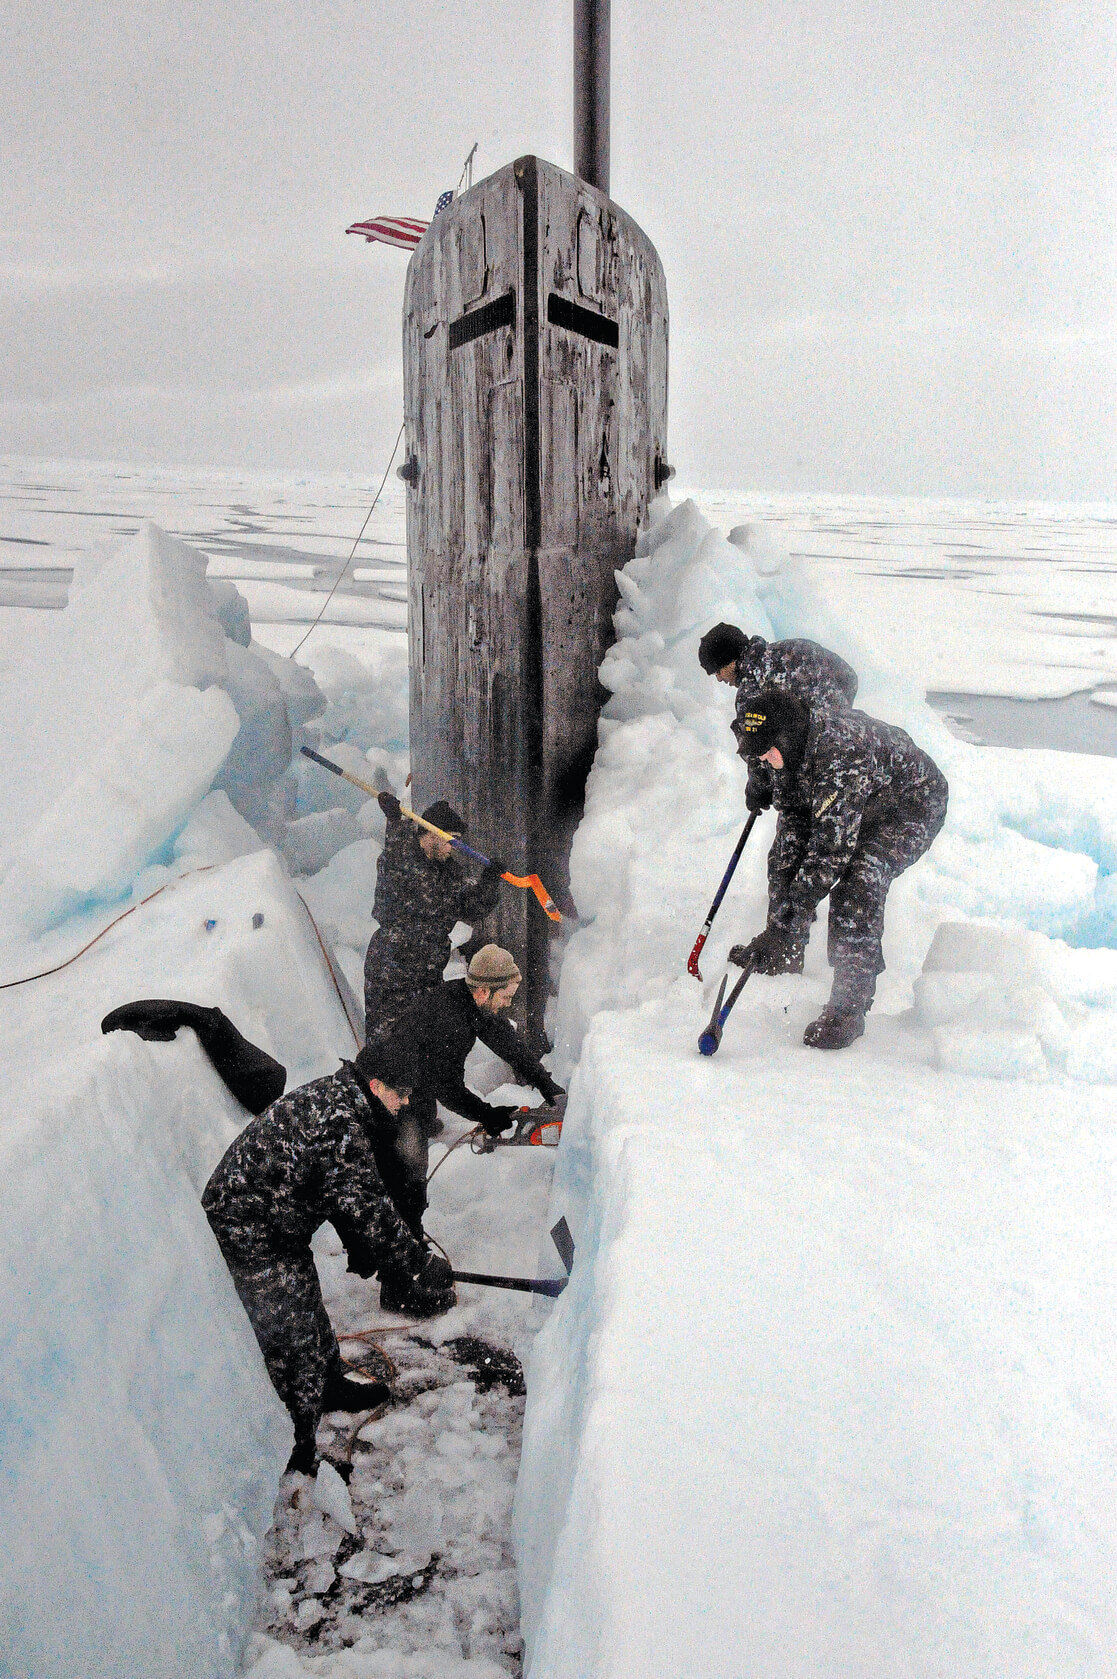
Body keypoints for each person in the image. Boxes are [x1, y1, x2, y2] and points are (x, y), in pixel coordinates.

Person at [202, 1060, 455, 1475]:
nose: (406, 1102)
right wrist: (419, 1263)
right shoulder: (339, 1125)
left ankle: (331, 1386)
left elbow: (342, 1191)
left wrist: (368, 1246)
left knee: (310, 1309)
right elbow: (367, 1208)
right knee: (292, 1334)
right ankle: (299, 1446)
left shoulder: (345, 1101)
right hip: (246, 1226)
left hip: (277, 1220)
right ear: (375, 1085)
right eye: (401, 1093)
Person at [727, 687, 948, 1050]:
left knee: (857, 885)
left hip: (909, 806)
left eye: (768, 752)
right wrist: (760, 783)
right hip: (859, 797)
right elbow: (796, 816)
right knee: (784, 857)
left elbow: (830, 852)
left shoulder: (841, 754)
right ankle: (785, 951)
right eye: (759, 754)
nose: (764, 759)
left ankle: (849, 1006)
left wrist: (790, 912)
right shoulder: (782, 744)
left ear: (787, 738)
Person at [357, 944, 565, 1295]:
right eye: (506, 997)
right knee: (408, 1178)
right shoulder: (450, 1020)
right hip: (381, 1092)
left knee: (419, 1127)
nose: (508, 1004)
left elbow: (509, 1045)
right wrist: (486, 1113)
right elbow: (447, 1088)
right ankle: (400, 1284)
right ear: (485, 990)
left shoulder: (471, 1001)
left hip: (412, 1080)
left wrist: (549, 1087)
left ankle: (406, 1258)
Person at [364, 792, 504, 1046]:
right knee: (387, 1045)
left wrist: (489, 882)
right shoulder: (401, 859)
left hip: (428, 972)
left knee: (425, 1045)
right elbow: (396, 856)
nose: (454, 848)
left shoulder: (450, 873)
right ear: (432, 833)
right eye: (452, 840)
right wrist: (394, 820)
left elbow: (472, 908)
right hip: (393, 968)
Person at [698, 622, 859, 816]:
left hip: (819, 771)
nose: (719, 679)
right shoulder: (799, 646)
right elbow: (849, 677)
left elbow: (756, 748)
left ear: (730, 660)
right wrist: (839, 715)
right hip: (856, 748)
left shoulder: (750, 691)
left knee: (803, 831)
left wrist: (757, 790)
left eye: (718, 671)